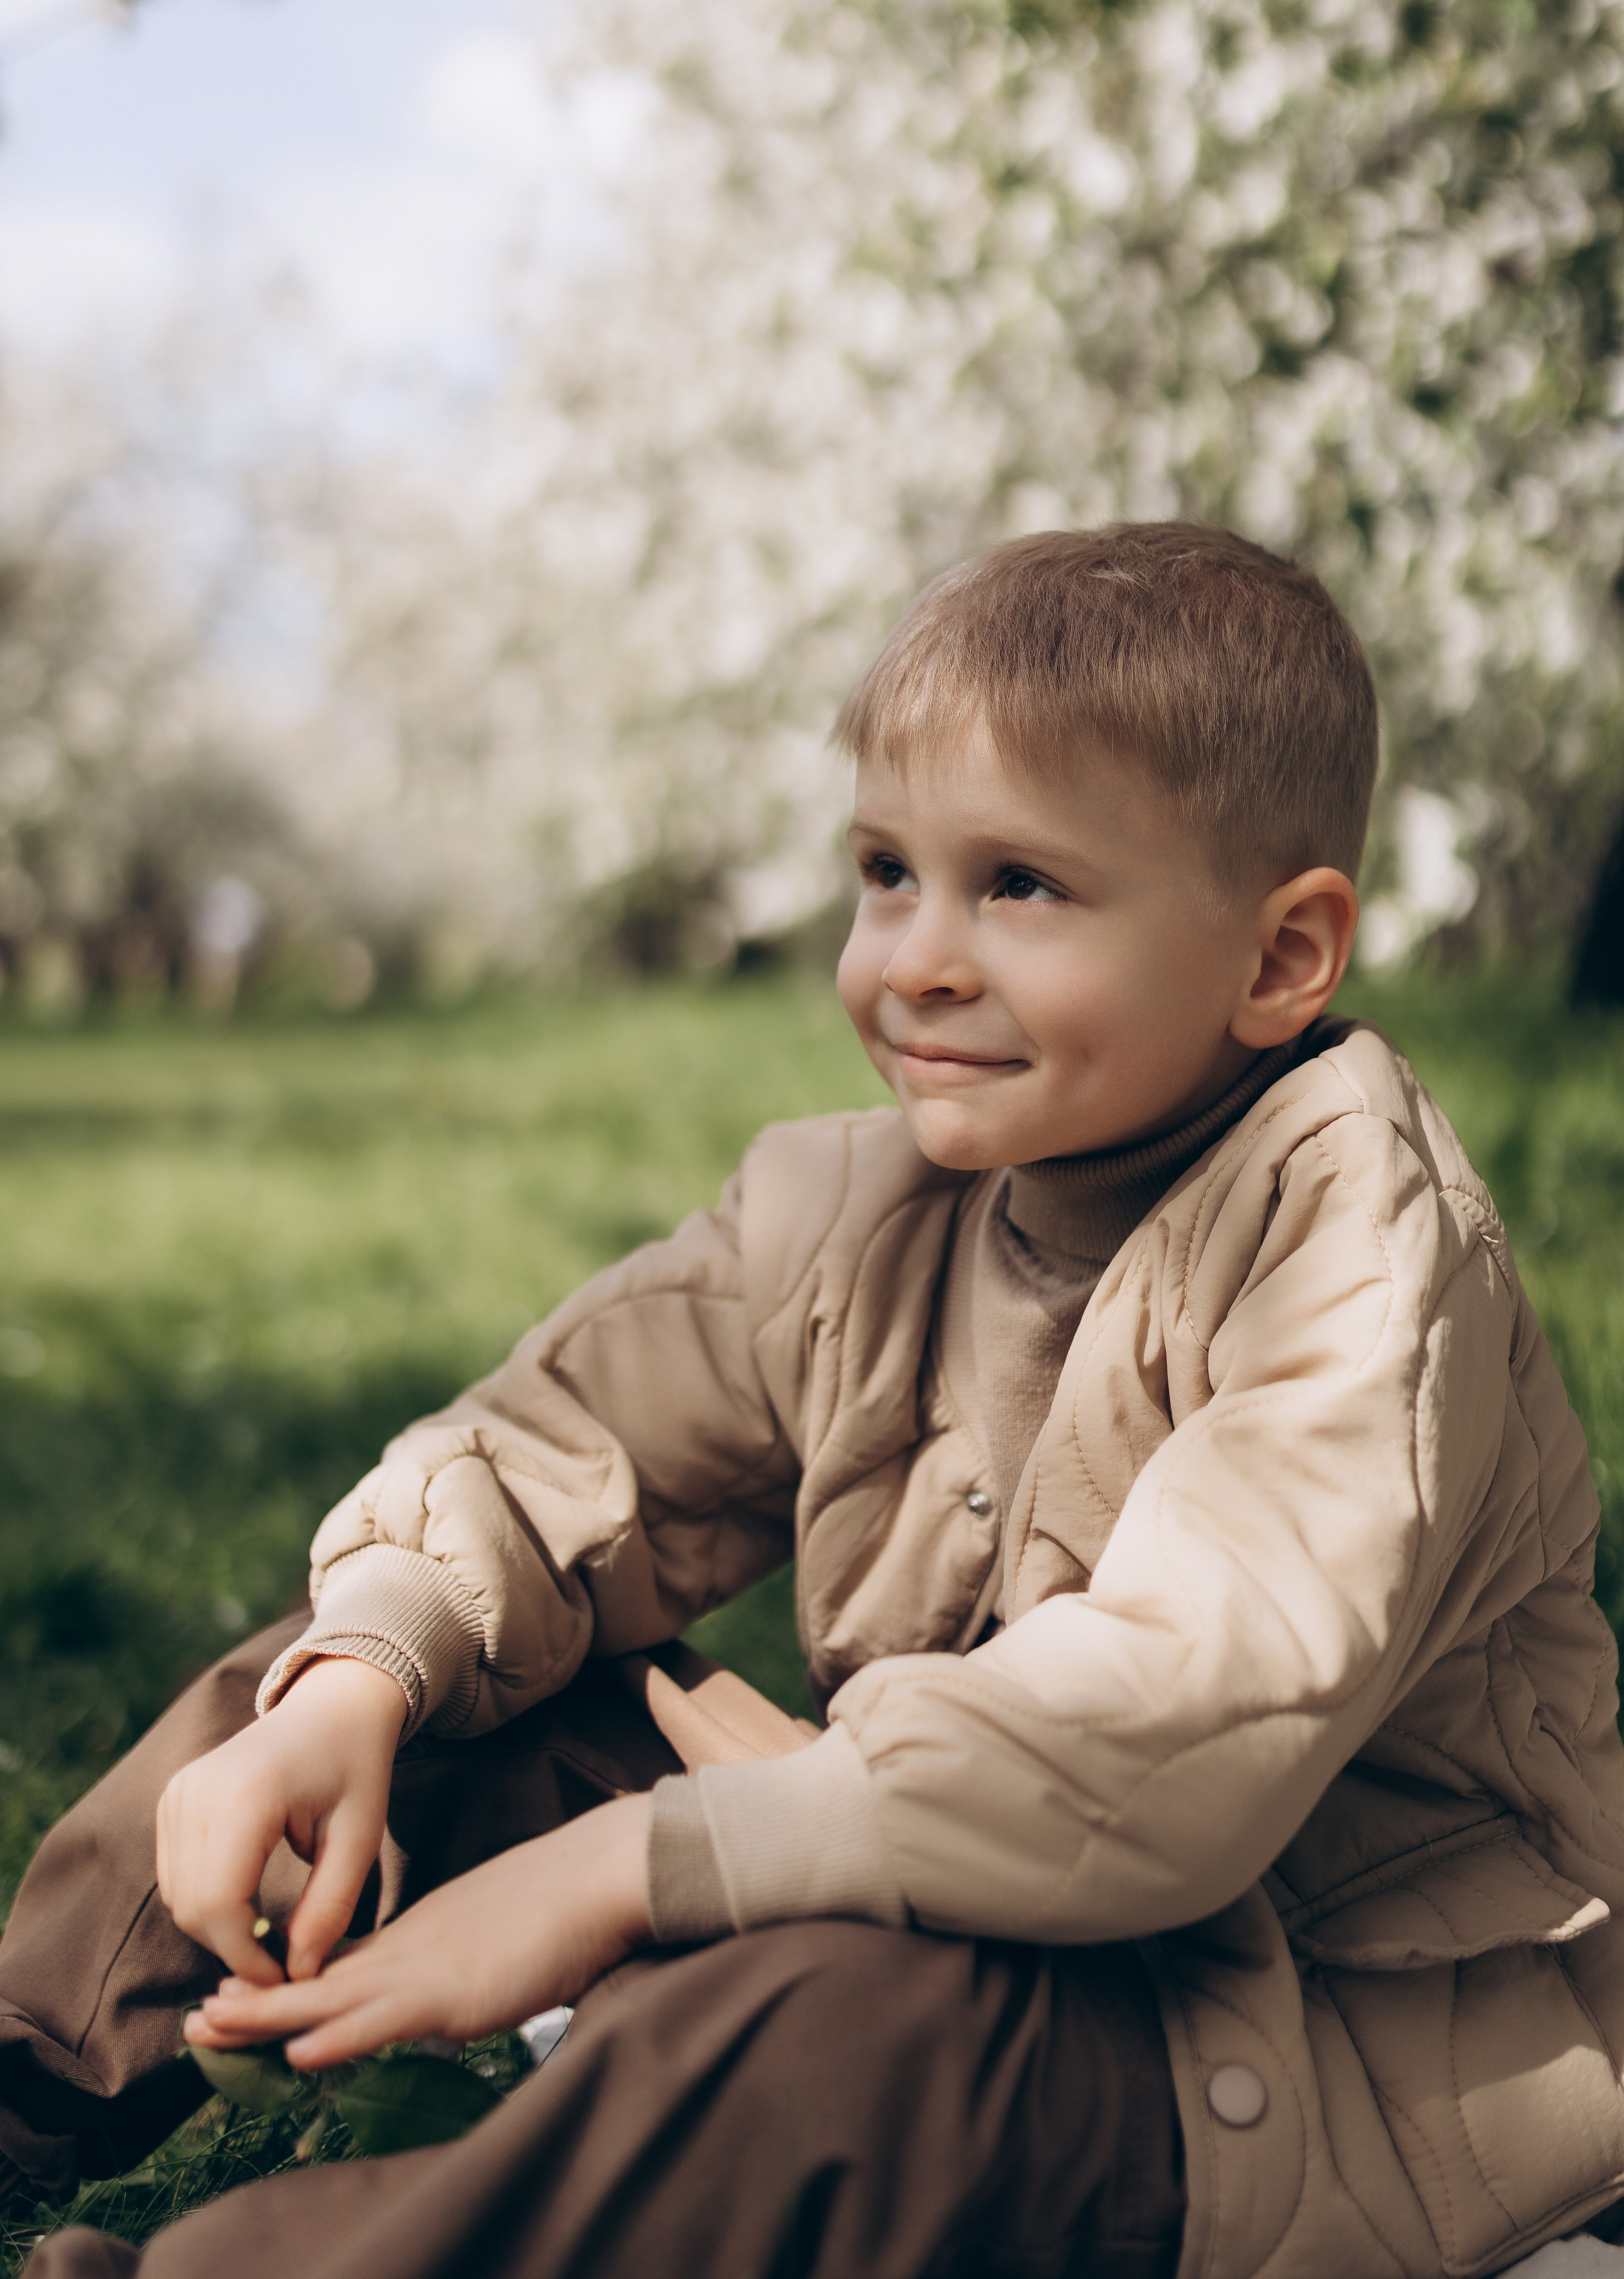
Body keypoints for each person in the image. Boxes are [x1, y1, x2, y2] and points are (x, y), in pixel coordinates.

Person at [6, 522, 1624, 2279]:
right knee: (359, 1679)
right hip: (927, 1847)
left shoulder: (1362, 1248)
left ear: (1281, 958)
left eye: (1020, 885)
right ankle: (37, 2083)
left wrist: (629, 1871)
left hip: (1291, 2036)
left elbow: (1180, 1729)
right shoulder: (861, 1209)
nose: (916, 958)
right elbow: (562, 1448)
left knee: (840, 2038)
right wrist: (370, 1668)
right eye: (885, 870)